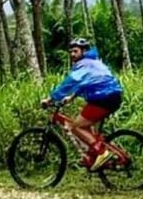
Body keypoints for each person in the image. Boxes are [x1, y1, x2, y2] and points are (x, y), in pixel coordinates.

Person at [44, 38, 124, 171]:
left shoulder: (83, 64)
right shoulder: (94, 63)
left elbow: (70, 82)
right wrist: (71, 97)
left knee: (76, 127)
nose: (72, 55)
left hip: (102, 98)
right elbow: (88, 82)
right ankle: (98, 155)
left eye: (75, 51)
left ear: (84, 51)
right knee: (88, 126)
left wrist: (51, 99)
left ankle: (101, 153)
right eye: (70, 52)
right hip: (112, 96)